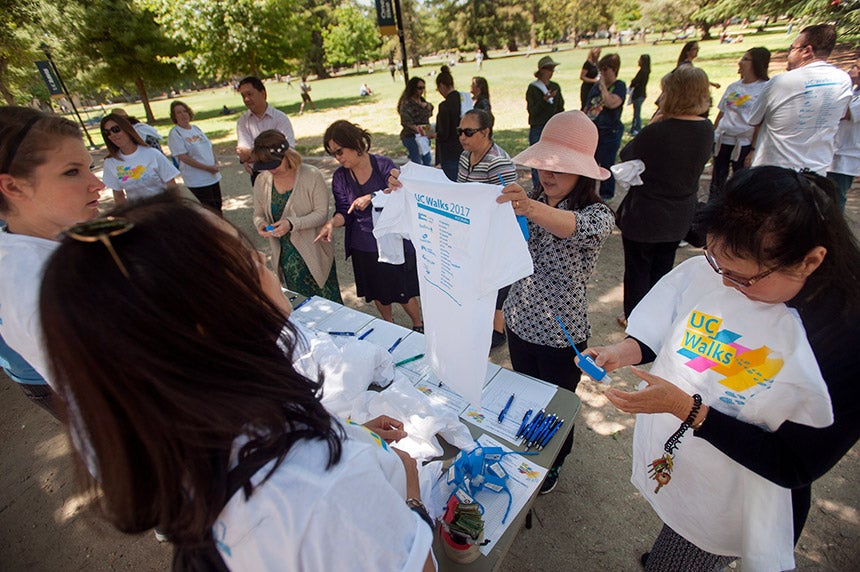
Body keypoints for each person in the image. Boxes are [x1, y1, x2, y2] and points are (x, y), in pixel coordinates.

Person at [38, 196, 435, 570]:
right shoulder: (331, 484)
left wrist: (348, 433)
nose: (262, 257)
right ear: (208, 320)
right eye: (247, 261)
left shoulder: (163, 433)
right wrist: (411, 492)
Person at [586, 167, 860, 571]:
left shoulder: (843, 340)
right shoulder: (721, 271)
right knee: (678, 524)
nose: (726, 284)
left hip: (741, 492)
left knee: (679, 556)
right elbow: (674, 324)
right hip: (687, 464)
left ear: (810, 261)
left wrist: (688, 410)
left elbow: (794, 463)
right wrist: (623, 350)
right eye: (717, 263)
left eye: (743, 277)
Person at [496, 111, 615, 494]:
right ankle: (531, 451)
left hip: (561, 335)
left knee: (558, 406)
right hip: (519, 322)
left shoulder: (596, 215)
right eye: (543, 166)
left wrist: (529, 209)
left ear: (583, 172)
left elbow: (571, 228)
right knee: (528, 396)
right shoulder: (530, 198)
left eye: (560, 168)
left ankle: (554, 462)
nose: (547, 175)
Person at [0, 106, 104, 417]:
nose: (96, 183)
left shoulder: (30, 246)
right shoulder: (47, 289)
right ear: (14, 187)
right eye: (72, 171)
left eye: (89, 167)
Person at [615, 65, 714, 326]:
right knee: (662, 269)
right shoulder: (706, 128)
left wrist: (655, 122)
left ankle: (635, 319)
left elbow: (627, 155)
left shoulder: (658, 131)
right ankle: (656, 317)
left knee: (637, 271)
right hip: (679, 214)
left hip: (645, 213)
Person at [315, 121, 424, 331]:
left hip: (392, 241)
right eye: (333, 154)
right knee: (378, 291)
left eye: (340, 151)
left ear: (355, 142)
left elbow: (400, 191)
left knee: (404, 290)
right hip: (363, 244)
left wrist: (371, 197)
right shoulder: (340, 176)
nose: (338, 157)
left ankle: (419, 325)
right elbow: (343, 211)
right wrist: (331, 223)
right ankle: (389, 326)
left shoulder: (382, 164)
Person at [251, 130, 342, 303]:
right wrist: (260, 224)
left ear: (286, 155)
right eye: (265, 167)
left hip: (314, 252)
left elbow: (321, 214)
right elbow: (258, 213)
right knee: (300, 306)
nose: (270, 170)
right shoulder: (262, 180)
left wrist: (291, 224)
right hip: (285, 257)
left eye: (273, 164)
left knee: (328, 305)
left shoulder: (311, 175)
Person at [748, 24, 852, 175]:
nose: (788, 54)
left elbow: (754, 118)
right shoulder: (843, 79)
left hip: (774, 171)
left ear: (806, 51)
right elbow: (841, 114)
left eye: (792, 48)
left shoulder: (781, 81)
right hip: (817, 171)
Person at [710, 48, 770, 202]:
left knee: (740, 182)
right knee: (718, 179)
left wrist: (753, 149)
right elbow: (722, 112)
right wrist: (713, 135)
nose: (740, 62)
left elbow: (760, 121)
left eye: (745, 59)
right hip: (724, 139)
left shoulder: (765, 88)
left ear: (756, 63)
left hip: (744, 143)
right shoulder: (734, 87)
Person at [100, 113, 179, 207]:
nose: (112, 135)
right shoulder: (110, 163)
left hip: (163, 210)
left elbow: (172, 186)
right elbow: (119, 196)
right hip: (138, 214)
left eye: (115, 129)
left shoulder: (152, 154)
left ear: (127, 129)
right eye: (107, 133)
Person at [235, 76, 296, 184]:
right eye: (243, 96)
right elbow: (243, 154)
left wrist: (254, 155)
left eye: (249, 94)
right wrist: (272, 152)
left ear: (263, 93)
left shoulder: (280, 118)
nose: (246, 99)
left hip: (283, 174)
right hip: (259, 176)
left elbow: (287, 151)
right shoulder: (242, 122)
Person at [167, 101, 223, 215]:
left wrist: (216, 162)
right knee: (210, 210)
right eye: (179, 113)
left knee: (218, 206)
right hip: (198, 179)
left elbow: (209, 146)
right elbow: (183, 157)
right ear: (174, 116)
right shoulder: (175, 133)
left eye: (185, 111)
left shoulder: (196, 129)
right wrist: (206, 168)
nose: (183, 115)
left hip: (212, 175)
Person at [584, 53, 626, 200]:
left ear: (614, 70)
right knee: (590, 164)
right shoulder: (595, 87)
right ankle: (589, 194)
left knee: (606, 164)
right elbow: (588, 107)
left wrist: (603, 88)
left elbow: (611, 103)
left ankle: (606, 195)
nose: (602, 73)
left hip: (610, 131)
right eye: (601, 69)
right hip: (594, 130)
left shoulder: (619, 86)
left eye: (606, 69)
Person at [526, 55, 564, 192]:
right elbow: (533, 111)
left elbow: (560, 107)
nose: (551, 71)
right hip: (538, 127)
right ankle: (538, 189)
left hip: (553, 127)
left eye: (552, 69)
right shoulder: (533, 88)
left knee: (553, 160)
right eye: (548, 69)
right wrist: (544, 100)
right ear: (541, 70)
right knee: (537, 160)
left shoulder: (555, 86)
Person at [827, 58, 860, 211]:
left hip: (847, 157)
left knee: (835, 198)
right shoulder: (854, 90)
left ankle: (835, 232)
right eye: (854, 66)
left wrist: (843, 84)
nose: (853, 71)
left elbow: (842, 113)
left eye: (857, 68)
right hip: (833, 151)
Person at [435, 66, 473, 181]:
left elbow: (444, 133)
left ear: (442, 86)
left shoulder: (445, 106)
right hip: (467, 149)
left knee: (453, 183)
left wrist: (434, 134)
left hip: (450, 152)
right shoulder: (465, 99)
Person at [397, 77, 435, 166]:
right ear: (413, 88)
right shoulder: (406, 103)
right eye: (419, 88)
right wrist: (424, 131)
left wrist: (427, 106)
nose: (421, 90)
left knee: (427, 159)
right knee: (417, 161)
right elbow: (407, 122)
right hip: (411, 136)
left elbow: (429, 113)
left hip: (423, 134)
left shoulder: (422, 100)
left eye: (423, 88)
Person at [628, 54, 650, 136]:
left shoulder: (642, 72)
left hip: (638, 95)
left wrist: (632, 82)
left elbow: (635, 82)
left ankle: (637, 128)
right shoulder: (646, 71)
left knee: (637, 113)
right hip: (642, 94)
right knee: (636, 112)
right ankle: (634, 127)